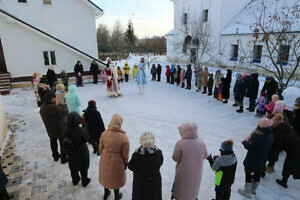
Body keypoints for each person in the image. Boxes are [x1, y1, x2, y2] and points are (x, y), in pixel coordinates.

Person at [171, 122, 208, 200]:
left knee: (182, 190)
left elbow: (175, 157)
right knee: (193, 189)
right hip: (197, 172)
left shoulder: (181, 143)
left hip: (184, 172)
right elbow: (205, 155)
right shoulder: (201, 142)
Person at [238, 118, 272, 198]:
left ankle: (247, 191)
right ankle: (253, 189)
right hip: (262, 158)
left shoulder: (257, 136)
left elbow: (248, 146)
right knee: (257, 172)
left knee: (248, 172)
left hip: (253, 158)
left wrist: (244, 142)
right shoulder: (269, 135)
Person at [99, 114, 130, 200]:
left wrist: (104, 155)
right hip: (118, 162)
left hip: (105, 159)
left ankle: (106, 194)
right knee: (116, 179)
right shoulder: (124, 138)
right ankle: (116, 196)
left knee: (106, 177)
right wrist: (125, 163)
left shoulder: (104, 134)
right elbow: (125, 154)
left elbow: (100, 148)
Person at [128, 132, 163, 200]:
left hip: (140, 182)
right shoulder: (158, 153)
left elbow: (130, 166)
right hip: (154, 181)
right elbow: (160, 163)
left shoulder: (136, 155)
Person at [270, 114, 300, 188]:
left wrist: (272, 159)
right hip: (297, 144)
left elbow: (277, 147)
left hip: (294, 150)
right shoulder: (286, 125)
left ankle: (284, 181)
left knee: (288, 165)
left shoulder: (280, 132)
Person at [40, 92, 69, 163]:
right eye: (54, 98)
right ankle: (64, 158)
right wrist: (63, 105)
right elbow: (65, 112)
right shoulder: (52, 108)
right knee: (62, 143)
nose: (55, 99)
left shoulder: (43, 107)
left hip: (50, 129)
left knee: (53, 142)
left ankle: (55, 156)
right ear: (50, 99)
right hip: (59, 129)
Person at [64, 112, 91, 187]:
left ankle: (75, 180)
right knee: (83, 167)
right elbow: (87, 138)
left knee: (73, 167)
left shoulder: (66, 129)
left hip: (71, 152)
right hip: (81, 152)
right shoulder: (80, 130)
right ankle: (84, 181)